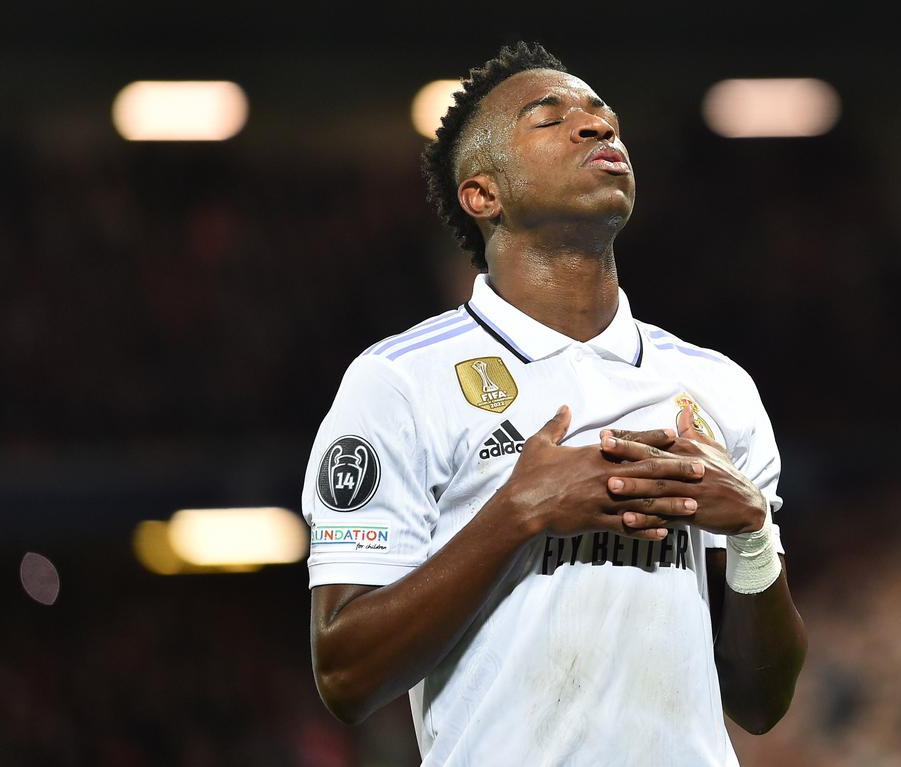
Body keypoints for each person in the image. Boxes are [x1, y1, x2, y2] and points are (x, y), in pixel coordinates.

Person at [303, 41, 807, 766]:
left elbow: (760, 704)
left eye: (604, 116)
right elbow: (344, 674)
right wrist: (518, 514)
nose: (597, 127)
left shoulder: (716, 387)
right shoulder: (399, 382)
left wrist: (755, 530)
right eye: (552, 118)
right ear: (483, 194)